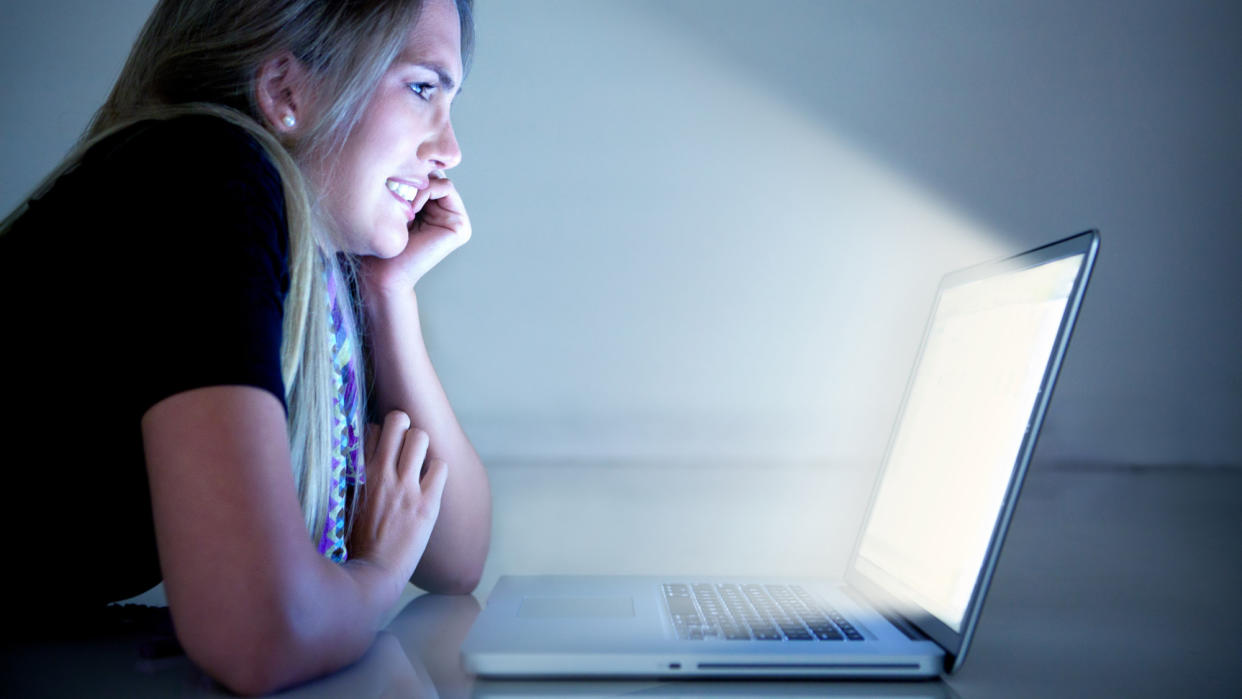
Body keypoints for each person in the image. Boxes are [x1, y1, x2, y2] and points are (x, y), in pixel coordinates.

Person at [0, 0, 490, 693]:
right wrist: (374, 577)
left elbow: (456, 553)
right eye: (421, 88)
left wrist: (389, 296)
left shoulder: (313, 253)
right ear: (286, 90)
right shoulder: (204, 180)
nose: (452, 149)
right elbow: (260, 631)